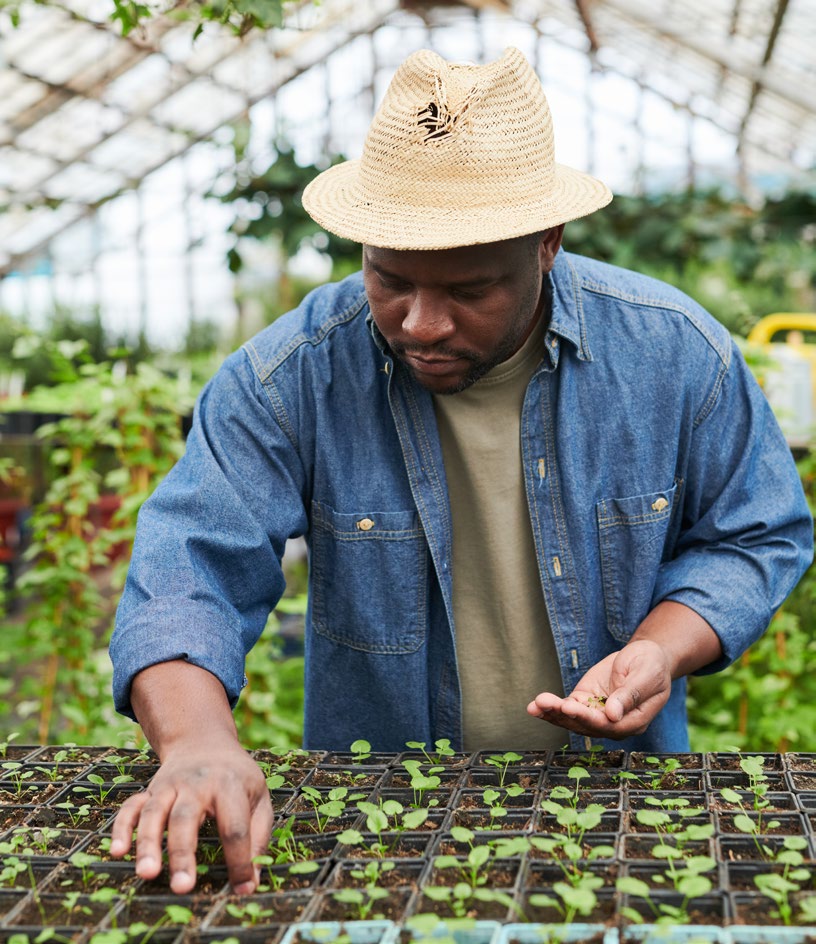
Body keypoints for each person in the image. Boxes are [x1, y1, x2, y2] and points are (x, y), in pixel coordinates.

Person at [108, 47, 813, 896]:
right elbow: (188, 569)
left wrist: (663, 649)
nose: (422, 323)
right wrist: (195, 746)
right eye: (389, 279)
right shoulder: (290, 376)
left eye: (470, 289)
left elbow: (755, 533)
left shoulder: (673, 357)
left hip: (616, 809)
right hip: (376, 826)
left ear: (547, 243)